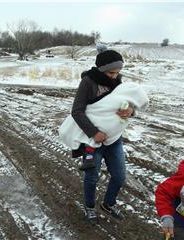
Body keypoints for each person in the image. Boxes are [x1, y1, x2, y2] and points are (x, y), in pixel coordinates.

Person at [70, 49, 134, 224]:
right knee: (92, 177)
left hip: (114, 139)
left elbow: (127, 105)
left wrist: (130, 111)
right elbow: (76, 111)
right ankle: (90, 208)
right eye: (111, 72)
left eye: (117, 72)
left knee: (119, 176)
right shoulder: (88, 82)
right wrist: (94, 133)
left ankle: (108, 203)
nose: (115, 76)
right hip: (93, 140)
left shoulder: (118, 82)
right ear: (100, 69)